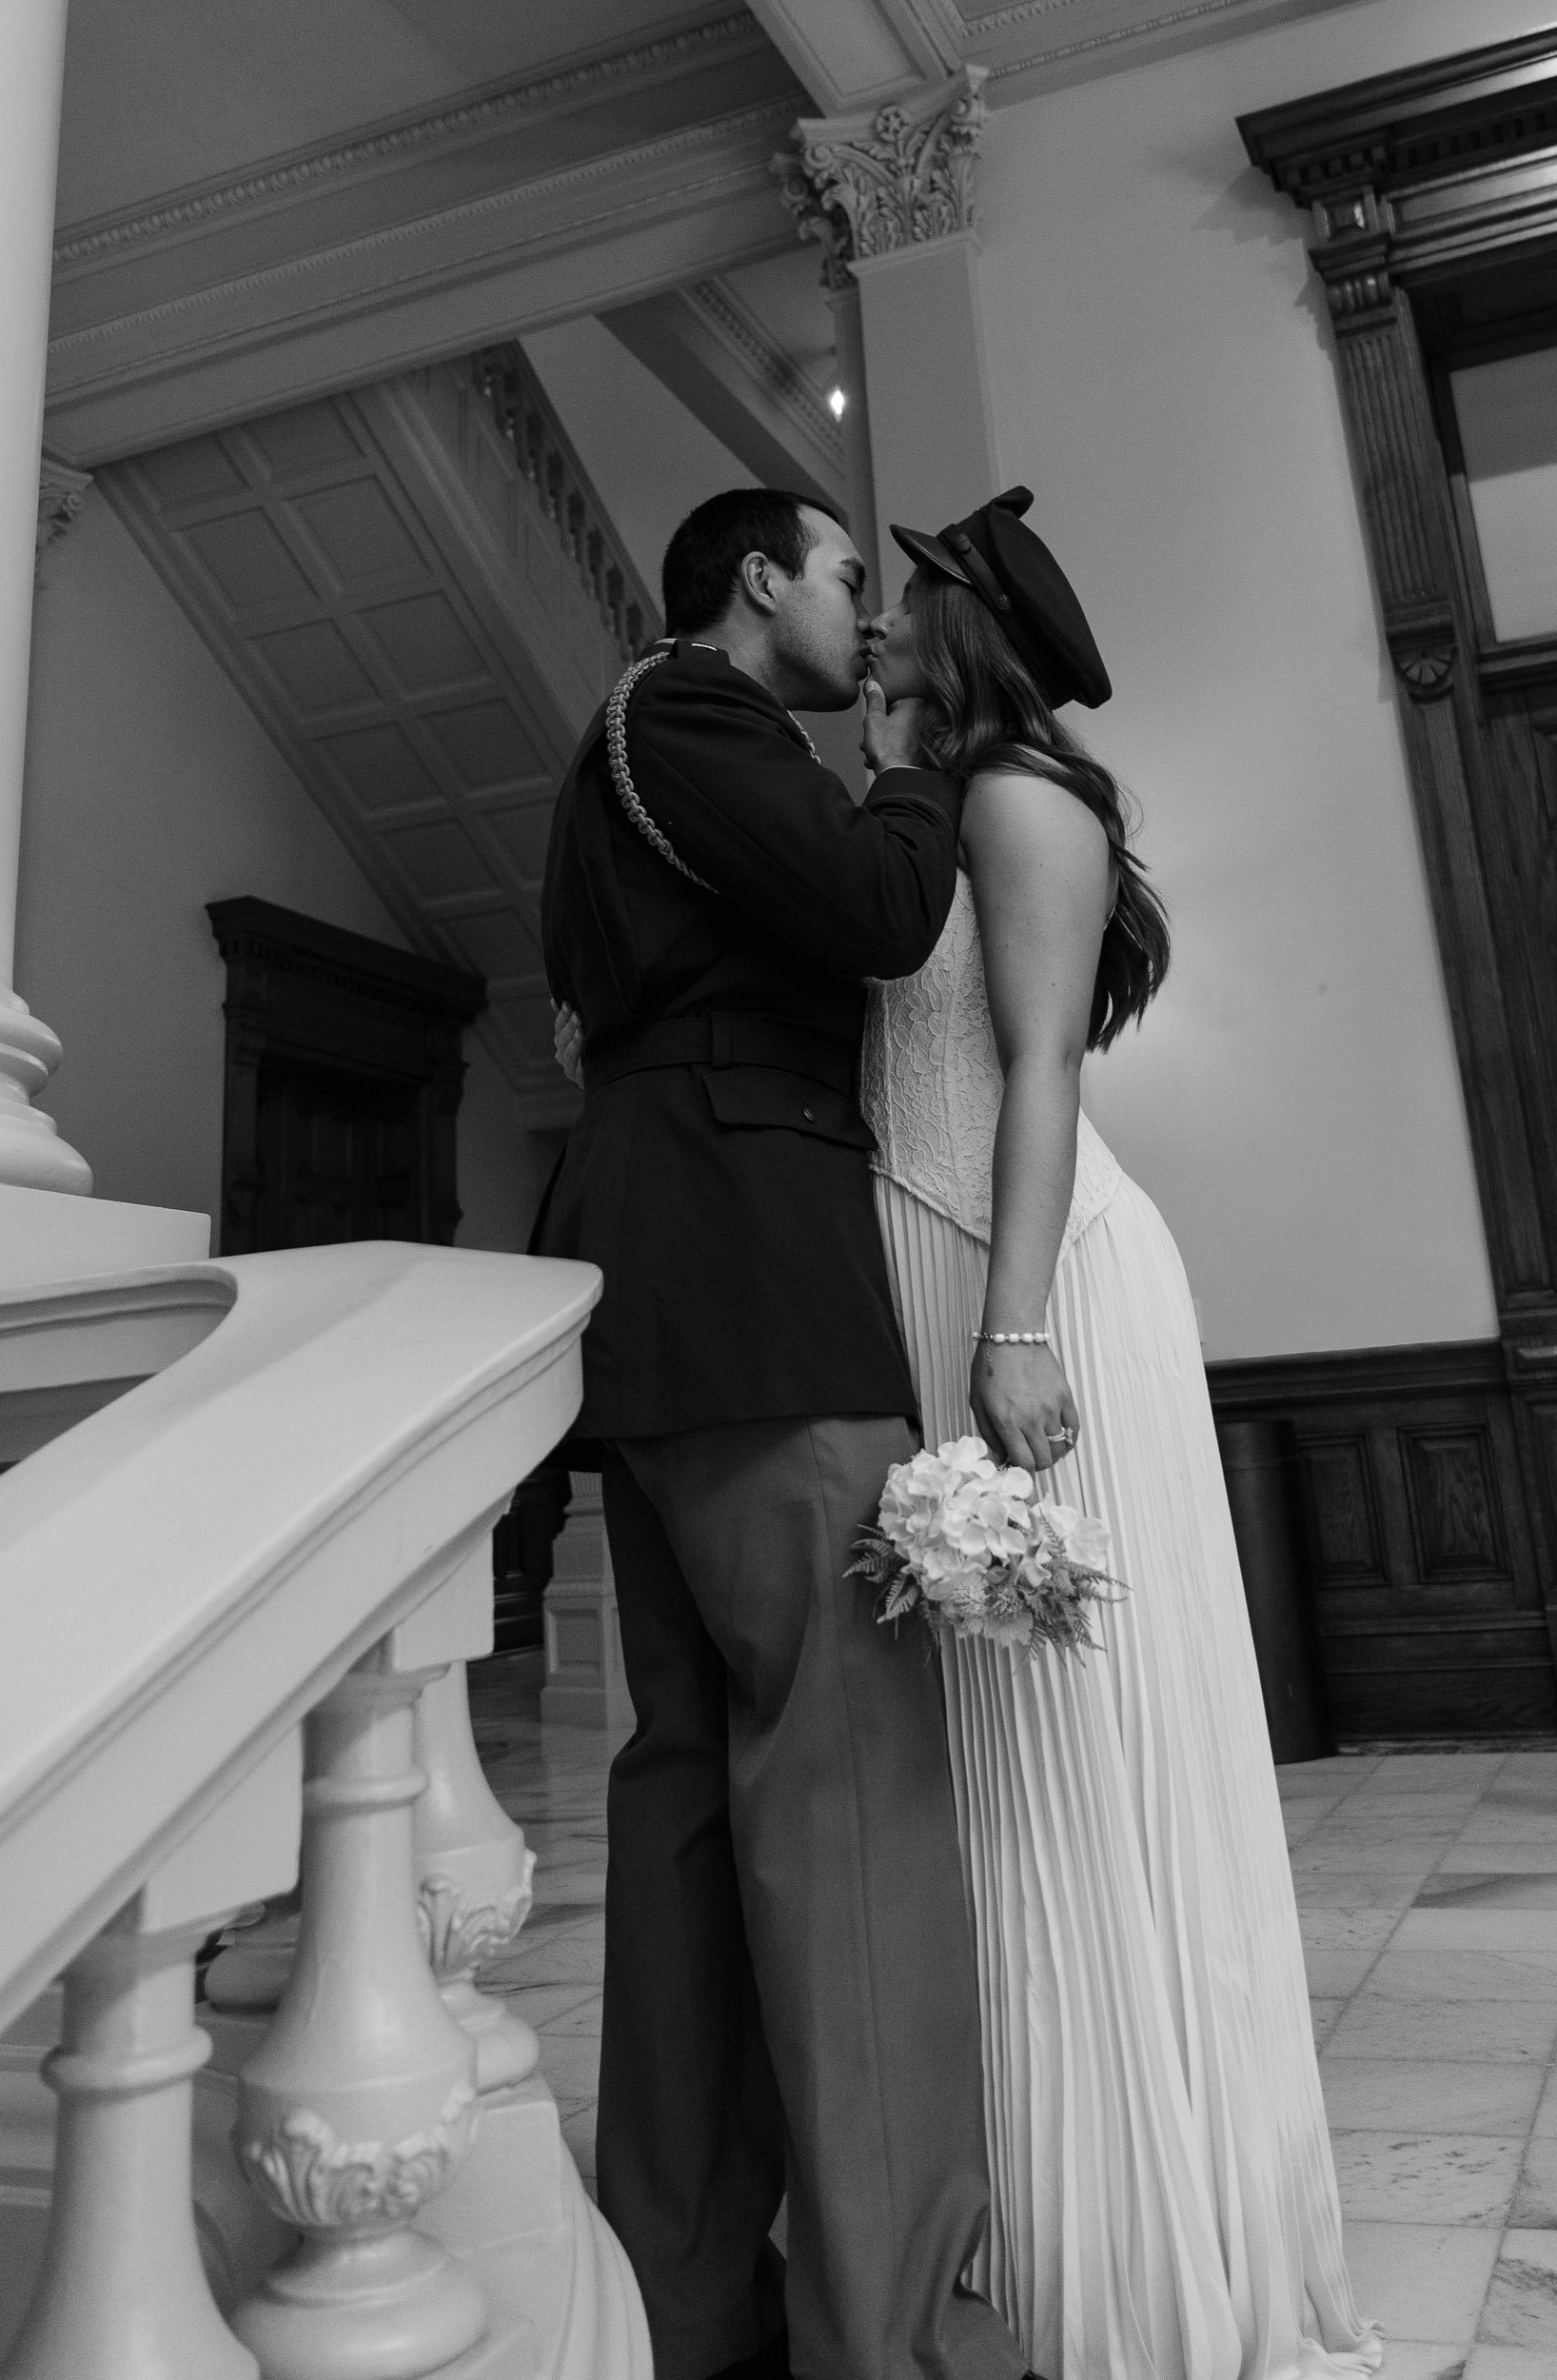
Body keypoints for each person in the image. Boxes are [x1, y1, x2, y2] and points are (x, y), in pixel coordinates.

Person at [859, 487, 1380, 2380]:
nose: (879, 613)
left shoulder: (1018, 800)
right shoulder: (936, 796)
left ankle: (1124, 2246)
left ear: (961, 627)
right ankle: (1016, 2196)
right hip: (940, 1259)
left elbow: (1037, 1063)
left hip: (1026, 1278)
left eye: (902, 594)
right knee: (993, 1754)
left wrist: (1008, 1329)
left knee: (1055, 1740)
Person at [531, 487, 1031, 2380]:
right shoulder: (690, 711)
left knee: (679, 1816)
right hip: (752, 1284)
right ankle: (896, 2336)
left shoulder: (623, 746)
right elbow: (883, 911)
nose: (860, 617)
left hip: (665, 1294)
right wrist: (907, 764)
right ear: (758, 581)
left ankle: (686, 2303)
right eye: (841, 578)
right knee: (849, 1806)